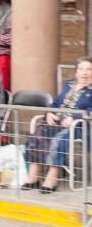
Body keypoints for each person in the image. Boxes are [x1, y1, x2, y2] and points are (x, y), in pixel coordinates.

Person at [22, 57, 92, 193]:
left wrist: (74, 118)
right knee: (37, 136)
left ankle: (52, 178)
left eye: (89, 69)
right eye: (81, 69)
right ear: (76, 72)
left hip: (80, 127)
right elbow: (56, 103)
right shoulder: (69, 84)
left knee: (58, 140)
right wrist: (50, 113)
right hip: (58, 124)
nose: (84, 73)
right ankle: (33, 177)